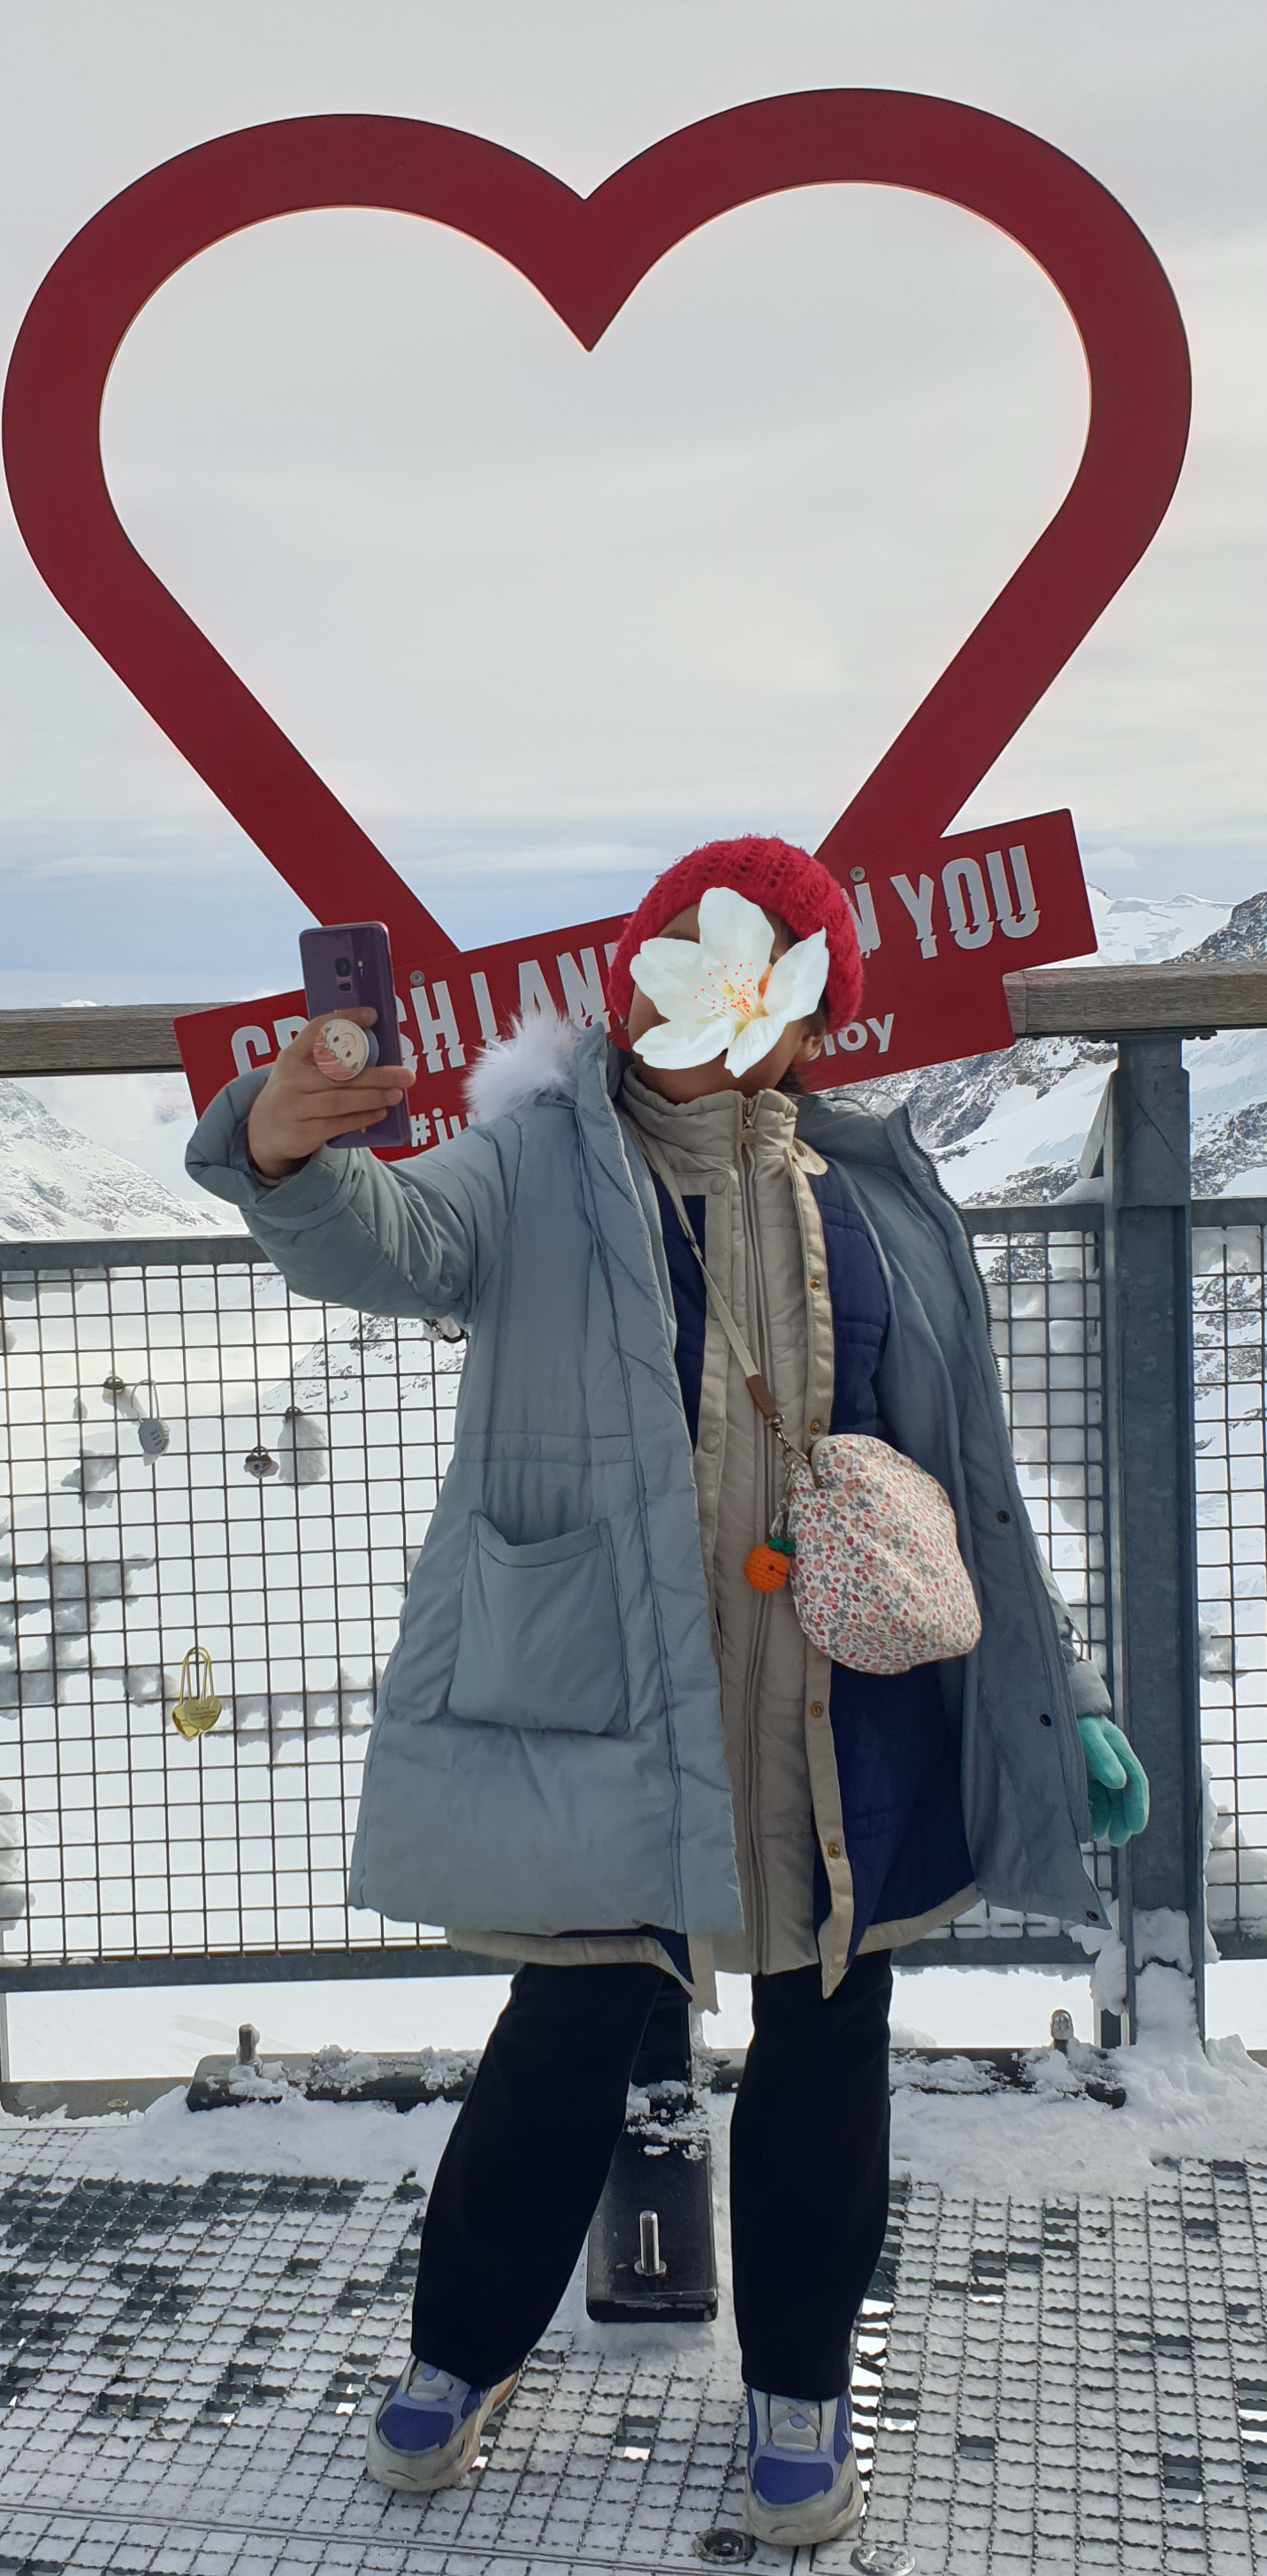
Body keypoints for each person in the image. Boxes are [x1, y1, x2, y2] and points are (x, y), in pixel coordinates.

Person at [186, 836, 1149, 2549]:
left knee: (828, 2026)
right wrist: (279, 1143)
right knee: (562, 2024)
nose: (707, 1012)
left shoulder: (874, 1192)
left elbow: (971, 1482)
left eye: (759, 978)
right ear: (632, 979)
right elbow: (386, 1237)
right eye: (685, 966)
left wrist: (1062, 1685)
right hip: (613, 1685)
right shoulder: (535, 1161)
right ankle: (465, 2344)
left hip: (836, 1704)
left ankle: (797, 2369)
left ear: (806, 1020)